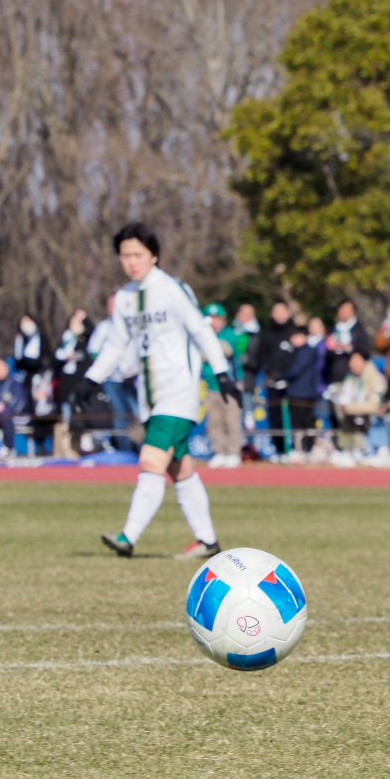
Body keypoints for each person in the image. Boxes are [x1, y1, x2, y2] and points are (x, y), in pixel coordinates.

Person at [71, 223, 240, 560]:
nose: (131, 261)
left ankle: (128, 537)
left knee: (151, 460)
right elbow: (116, 345)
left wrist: (222, 373)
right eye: (125, 255)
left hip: (179, 391)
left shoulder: (172, 289)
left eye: (138, 254)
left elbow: (200, 330)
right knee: (180, 469)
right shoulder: (124, 299)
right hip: (151, 397)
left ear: (154, 256)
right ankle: (207, 541)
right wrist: (90, 380)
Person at [88, 294, 139, 452]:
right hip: (112, 380)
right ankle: (124, 451)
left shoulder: (135, 324)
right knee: (120, 415)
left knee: (139, 413)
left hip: (133, 379)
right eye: (111, 305)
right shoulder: (104, 327)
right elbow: (94, 351)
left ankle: (141, 449)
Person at [201, 303, 246, 468]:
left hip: (230, 385)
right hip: (211, 386)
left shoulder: (231, 334)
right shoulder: (202, 335)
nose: (214, 322)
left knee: (231, 420)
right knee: (214, 422)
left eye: (217, 318)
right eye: (210, 318)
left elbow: (224, 351)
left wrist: (205, 351)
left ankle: (233, 453)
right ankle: (219, 452)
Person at [252, 301, 298, 454]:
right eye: (275, 312)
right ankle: (280, 450)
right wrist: (270, 372)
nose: (279, 315)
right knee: (275, 418)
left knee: (296, 417)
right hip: (272, 382)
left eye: (282, 311)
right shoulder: (267, 334)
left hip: (293, 383)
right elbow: (261, 357)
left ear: (288, 313)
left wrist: (287, 374)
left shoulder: (295, 333)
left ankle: (297, 450)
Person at [52, 309, 93, 458]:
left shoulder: (85, 337)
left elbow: (92, 336)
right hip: (66, 384)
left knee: (81, 417)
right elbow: (54, 359)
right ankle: (67, 451)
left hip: (80, 383)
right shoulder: (65, 338)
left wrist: (86, 321)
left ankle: (82, 449)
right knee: (66, 417)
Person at [333, 351, 387, 460]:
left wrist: (350, 408)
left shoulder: (375, 378)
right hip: (353, 413)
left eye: (356, 361)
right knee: (345, 416)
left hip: (372, 415)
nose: (353, 364)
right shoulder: (350, 377)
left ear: (365, 361)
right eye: (351, 361)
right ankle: (347, 450)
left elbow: (375, 405)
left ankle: (374, 450)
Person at [281, 323, 322, 456]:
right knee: (298, 423)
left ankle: (306, 449)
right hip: (298, 393)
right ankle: (300, 449)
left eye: (298, 336)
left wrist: (281, 376)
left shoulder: (307, 351)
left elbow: (294, 370)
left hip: (303, 394)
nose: (295, 340)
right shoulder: (295, 351)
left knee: (305, 423)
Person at [326, 300, 371, 385]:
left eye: (347, 310)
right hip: (335, 373)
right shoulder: (334, 329)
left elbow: (365, 350)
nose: (343, 312)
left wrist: (349, 348)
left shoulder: (359, 329)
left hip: (353, 374)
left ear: (353, 312)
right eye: (341, 309)